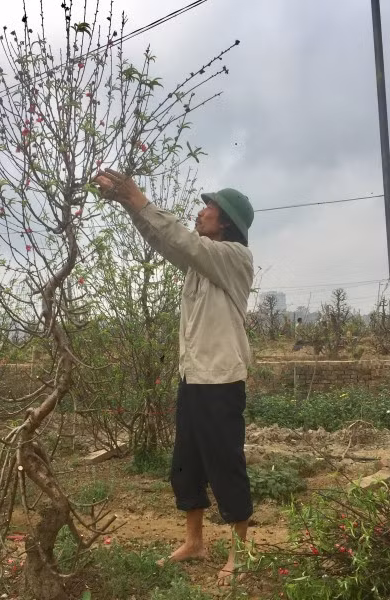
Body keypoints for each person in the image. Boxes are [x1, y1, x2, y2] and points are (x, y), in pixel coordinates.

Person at [93, 169, 254, 585]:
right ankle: (195, 542)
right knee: (187, 464)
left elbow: (182, 241)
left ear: (227, 223)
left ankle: (241, 551)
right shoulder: (200, 264)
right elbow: (168, 242)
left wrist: (141, 198)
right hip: (194, 378)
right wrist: (131, 205)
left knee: (226, 464)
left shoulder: (233, 258)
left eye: (209, 209)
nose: (201, 213)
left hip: (221, 381)